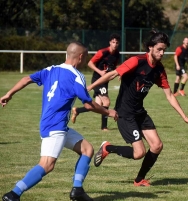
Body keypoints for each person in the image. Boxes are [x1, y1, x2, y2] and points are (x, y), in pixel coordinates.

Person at [72, 30, 188, 187]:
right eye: (159, 49)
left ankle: (139, 180)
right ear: (150, 47)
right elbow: (113, 74)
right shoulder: (136, 61)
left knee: (157, 146)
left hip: (139, 112)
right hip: (124, 113)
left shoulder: (159, 69)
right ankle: (108, 147)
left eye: (164, 50)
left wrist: (184, 116)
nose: (162, 53)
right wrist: (90, 86)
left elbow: (170, 95)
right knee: (139, 153)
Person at [0, 42, 118, 201]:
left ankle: (78, 190)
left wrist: (9, 94)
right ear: (81, 57)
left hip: (55, 124)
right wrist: (108, 111)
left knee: (87, 150)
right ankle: (13, 194)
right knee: (47, 164)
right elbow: (89, 104)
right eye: (85, 58)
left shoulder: (51, 69)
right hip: (55, 127)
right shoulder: (77, 76)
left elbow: (26, 78)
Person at [72, 33, 120, 131]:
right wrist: (100, 72)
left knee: (96, 106)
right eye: (113, 42)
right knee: (106, 101)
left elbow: (113, 67)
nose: (115, 44)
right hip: (97, 80)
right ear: (110, 43)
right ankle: (104, 127)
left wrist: (119, 73)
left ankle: (77, 110)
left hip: (105, 81)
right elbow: (90, 63)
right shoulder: (102, 52)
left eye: (117, 42)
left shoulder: (117, 54)